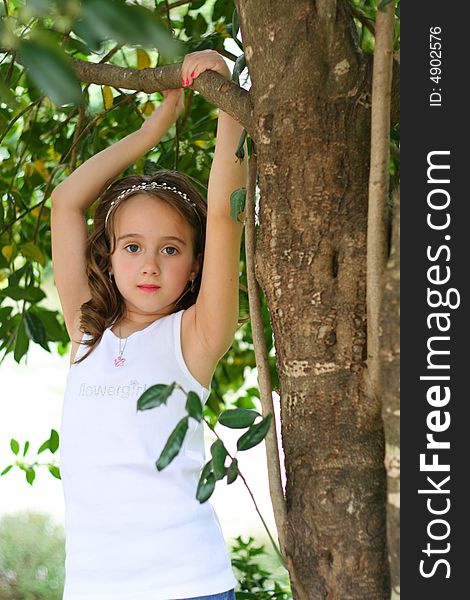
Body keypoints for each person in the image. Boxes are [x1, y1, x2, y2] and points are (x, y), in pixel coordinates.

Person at [50, 49, 247, 600]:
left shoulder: (195, 336)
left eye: (170, 249)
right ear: (109, 257)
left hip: (187, 584)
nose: (149, 264)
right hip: (93, 588)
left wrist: (225, 94)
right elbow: (66, 205)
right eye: (132, 246)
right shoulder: (87, 331)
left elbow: (225, 211)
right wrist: (157, 124)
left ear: (195, 267)